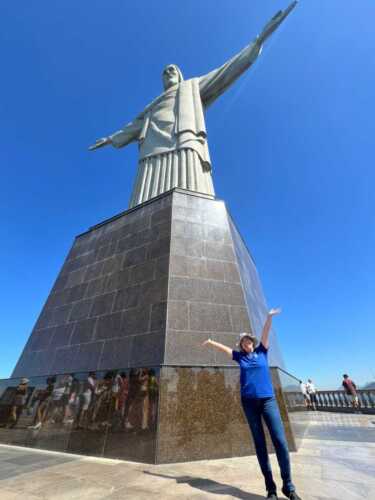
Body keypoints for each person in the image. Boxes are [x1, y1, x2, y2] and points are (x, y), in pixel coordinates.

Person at [89, 3, 297, 208]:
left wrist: (258, 41)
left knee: (190, 187)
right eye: (164, 72)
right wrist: (111, 139)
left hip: (183, 138)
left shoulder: (192, 86)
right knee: (145, 194)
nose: (168, 72)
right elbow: (133, 127)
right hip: (152, 147)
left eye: (172, 70)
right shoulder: (151, 107)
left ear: (179, 75)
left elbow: (225, 72)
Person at [203, 308, 301, 500]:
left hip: (268, 401)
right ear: (241, 345)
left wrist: (269, 317)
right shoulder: (240, 357)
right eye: (244, 342)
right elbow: (225, 350)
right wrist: (211, 342)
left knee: (280, 442)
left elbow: (265, 333)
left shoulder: (262, 352)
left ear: (252, 342)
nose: (247, 343)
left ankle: (288, 486)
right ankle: (271, 489)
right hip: (249, 403)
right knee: (260, 445)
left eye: (249, 340)